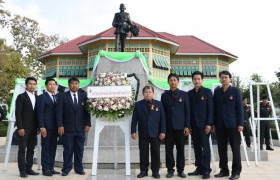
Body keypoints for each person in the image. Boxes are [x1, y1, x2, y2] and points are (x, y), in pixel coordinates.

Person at [212, 70, 243, 180]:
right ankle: (224, 170)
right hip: (220, 125)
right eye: (222, 77)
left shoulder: (235, 91)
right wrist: (213, 124)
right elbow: (214, 109)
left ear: (230, 79)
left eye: (226, 77)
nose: (224, 79)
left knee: (235, 149)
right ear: (220, 79)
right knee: (221, 149)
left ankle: (236, 172)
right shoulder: (217, 92)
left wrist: (240, 123)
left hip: (233, 124)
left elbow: (239, 108)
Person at [56, 77, 91, 176]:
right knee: (68, 150)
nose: (74, 85)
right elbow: (59, 112)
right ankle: (66, 169)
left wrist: (88, 124)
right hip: (67, 128)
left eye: (76, 83)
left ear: (79, 85)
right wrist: (60, 125)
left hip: (80, 128)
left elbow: (87, 111)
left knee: (80, 149)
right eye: (72, 83)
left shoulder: (83, 96)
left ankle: (79, 168)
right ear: (69, 85)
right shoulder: (62, 96)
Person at [131, 86, 166, 179]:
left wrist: (163, 131)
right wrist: (133, 131)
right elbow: (134, 119)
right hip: (143, 133)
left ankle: (155, 172)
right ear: (143, 94)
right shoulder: (138, 105)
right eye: (146, 92)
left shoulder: (158, 104)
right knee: (143, 153)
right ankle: (143, 171)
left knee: (155, 153)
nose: (148, 93)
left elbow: (163, 119)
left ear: (153, 93)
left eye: (150, 92)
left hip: (155, 133)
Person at [161, 73, 191, 178]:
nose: (173, 82)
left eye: (174, 80)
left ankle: (180, 170)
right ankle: (170, 170)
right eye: (171, 80)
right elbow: (163, 114)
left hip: (181, 128)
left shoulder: (184, 94)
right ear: (168, 82)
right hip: (168, 128)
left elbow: (188, 111)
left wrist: (187, 126)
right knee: (168, 150)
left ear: (178, 81)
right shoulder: (164, 96)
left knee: (180, 149)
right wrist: (163, 129)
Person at [188, 71, 213, 179]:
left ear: (202, 80)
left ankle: (206, 170)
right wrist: (188, 125)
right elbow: (188, 111)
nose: (197, 81)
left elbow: (211, 109)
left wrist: (209, 124)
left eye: (199, 79)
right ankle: (199, 168)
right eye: (195, 79)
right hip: (193, 126)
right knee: (197, 148)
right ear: (192, 80)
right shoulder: (189, 93)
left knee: (205, 148)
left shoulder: (207, 92)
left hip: (204, 126)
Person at [15, 77, 39, 178]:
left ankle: (29, 168)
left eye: (34, 84)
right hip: (24, 128)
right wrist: (20, 127)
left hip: (34, 128)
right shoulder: (21, 97)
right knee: (22, 149)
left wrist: (38, 127)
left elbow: (37, 113)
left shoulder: (37, 97)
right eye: (30, 84)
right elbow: (18, 113)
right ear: (26, 85)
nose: (32, 86)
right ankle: (22, 170)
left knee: (31, 149)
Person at [37, 79, 60, 176]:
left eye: (54, 84)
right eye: (50, 84)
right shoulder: (42, 97)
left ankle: (51, 168)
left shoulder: (56, 97)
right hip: (46, 128)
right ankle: (45, 169)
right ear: (46, 86)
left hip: (55, 128)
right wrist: (42, 127)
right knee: (46, 148)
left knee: (53, 148)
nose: (52, 86)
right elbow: (40, 113)